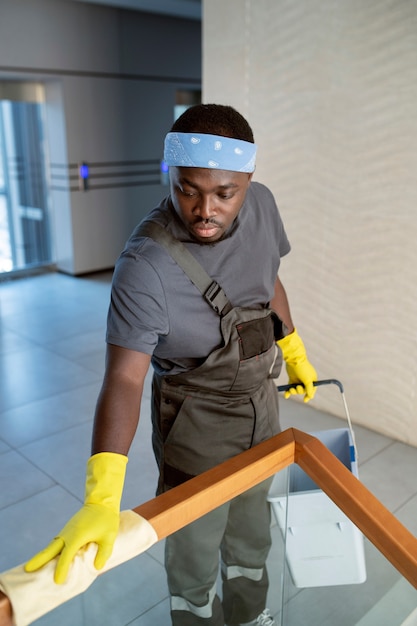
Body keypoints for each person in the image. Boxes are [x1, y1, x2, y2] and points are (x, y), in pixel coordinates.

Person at [25, 104, 317, 626]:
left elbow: (267, 278)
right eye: (187, 188)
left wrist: (292, 350)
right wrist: (102, 497)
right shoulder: (146, 265)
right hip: (194, 417)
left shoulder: (265, 206)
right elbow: (124, 377)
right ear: (171, 175)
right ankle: (196, 616)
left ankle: (249, 617)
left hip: (261, 400)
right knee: (196, 540)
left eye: (224, 193)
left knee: (253, 527)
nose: (205, 209)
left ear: (249, 181)